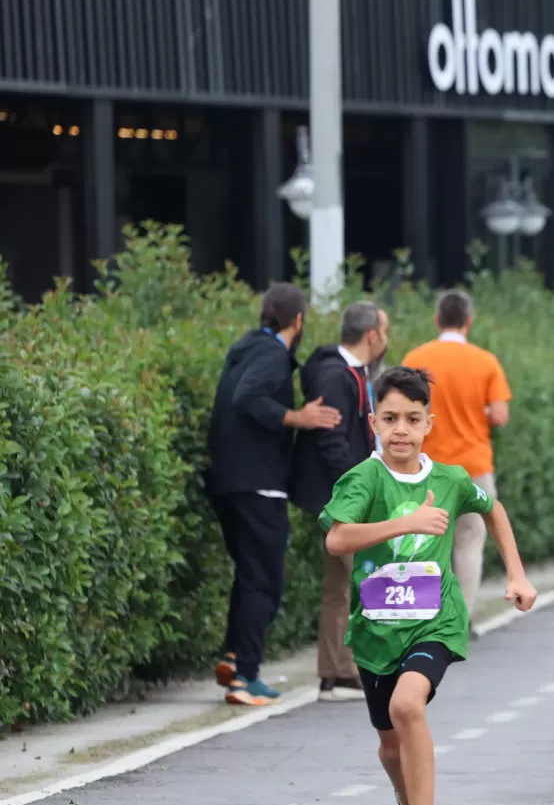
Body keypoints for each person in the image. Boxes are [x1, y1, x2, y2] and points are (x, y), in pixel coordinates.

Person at [320, 365, 539, 805]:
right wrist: (407, 522)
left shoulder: (451, 480)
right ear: (373, 421)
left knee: (406, 705)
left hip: (434, 624)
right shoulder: (363, 479)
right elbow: (337, 539)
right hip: (376, 633)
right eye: (390, 418)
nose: (401, 429)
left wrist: (515, 572)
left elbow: (495, 510)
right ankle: (407, 803)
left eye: (412, 419)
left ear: (428, 425)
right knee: (390, 746)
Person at [207, 282, 341, 706]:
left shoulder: (244, 348)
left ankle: (234, 656)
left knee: (250, 575)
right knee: (265, 579)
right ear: (298, 320)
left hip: (228, 483)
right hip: (259, 484)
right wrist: (296, 417)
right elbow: (249, 396)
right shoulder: (268, 355)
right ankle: (244, 678)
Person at [292, 300, 389, 703]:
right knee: (347, 583)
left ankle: (338, 670)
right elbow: (333, 446)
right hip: (341, 500)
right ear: (372, 335)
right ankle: (339, 672)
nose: (387, 338)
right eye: (385, 331)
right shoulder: (337, 377)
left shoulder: (351, 373)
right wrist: (355, 494)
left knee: (345, 582)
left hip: (343, 495)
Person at [401, 289, 512, 612]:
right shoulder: (485, 362)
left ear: (437, 320)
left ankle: (421, 610)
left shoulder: (414, 359)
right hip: (473, 466)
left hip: (424, 466)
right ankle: (461, 617)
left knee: (423, 539)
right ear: (469, 321)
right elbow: (500, 415)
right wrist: (480, 413)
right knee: (470, 539)